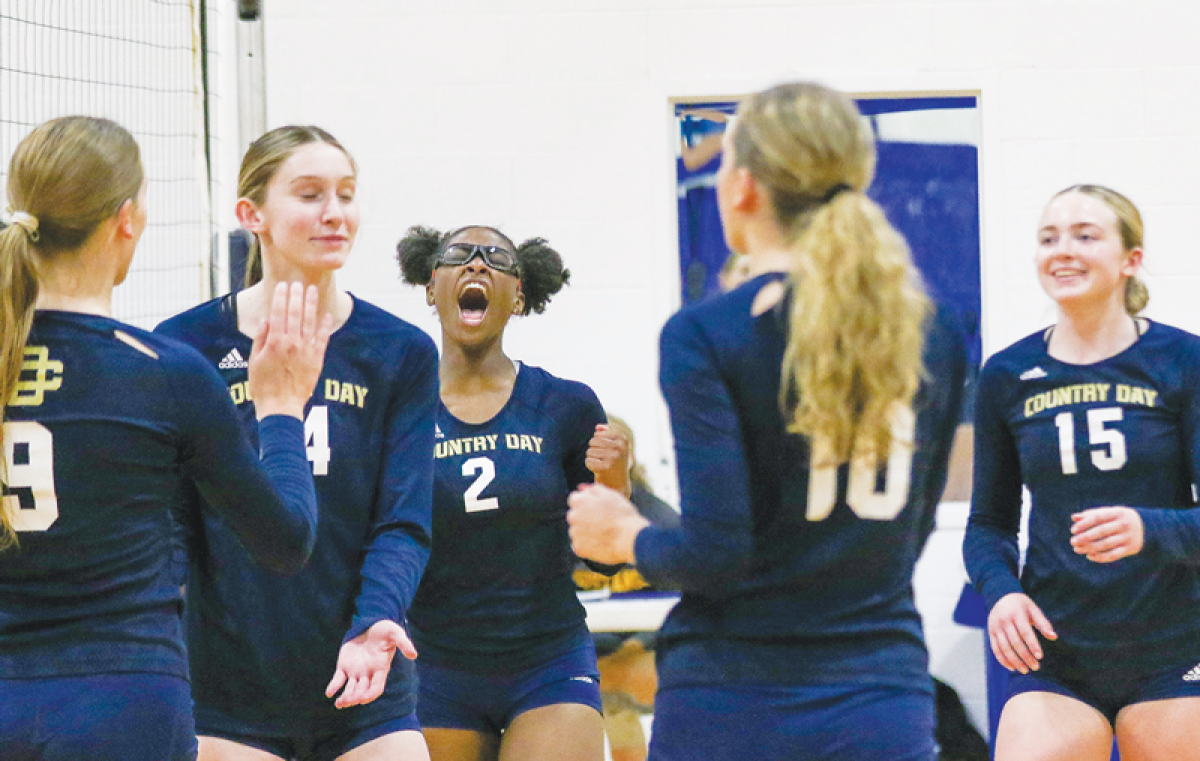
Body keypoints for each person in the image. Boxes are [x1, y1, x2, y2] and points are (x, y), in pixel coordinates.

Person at [566, 81, 966, 761]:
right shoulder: (936, 330)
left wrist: (625, 532)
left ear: (744, 187)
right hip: (879, 697)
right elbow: (914, 531)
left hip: (733, 704)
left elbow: (715, 558)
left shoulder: (708, 333)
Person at [0, 116, 326, 761]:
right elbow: (285, 542)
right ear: (128, 220)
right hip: (123, 701)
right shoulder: (164, 373)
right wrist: (282, 409)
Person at [156, 126, 438, 761]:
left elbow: (404, 521)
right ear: (251, 214)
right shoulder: (184, 347)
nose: (335, 213)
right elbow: (174, 523)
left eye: (346, 193)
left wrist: (374, 624)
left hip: (364, 680)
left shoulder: (401, 352)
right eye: (310, 194)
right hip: (229, 688)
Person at [963, 185, 1200, 761]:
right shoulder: (1007, 374)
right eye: (1049, 238)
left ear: (1130, 260)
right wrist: (1000, 594)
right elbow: (988, 524)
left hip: (1171, 648)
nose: (1062, 250)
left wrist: (1150, 529)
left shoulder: (1182, 361)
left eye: (1085, 236)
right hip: (1058, 652)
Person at [396, 224, 630, 761]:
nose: (477, 265)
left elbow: (605, 559)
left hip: (547, 663)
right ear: (432, 287)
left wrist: (614, 485)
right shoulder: (399, 410)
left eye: (496, 259)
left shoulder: (566, 405)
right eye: (460, 255)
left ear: (519, 296)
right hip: (435, 668)